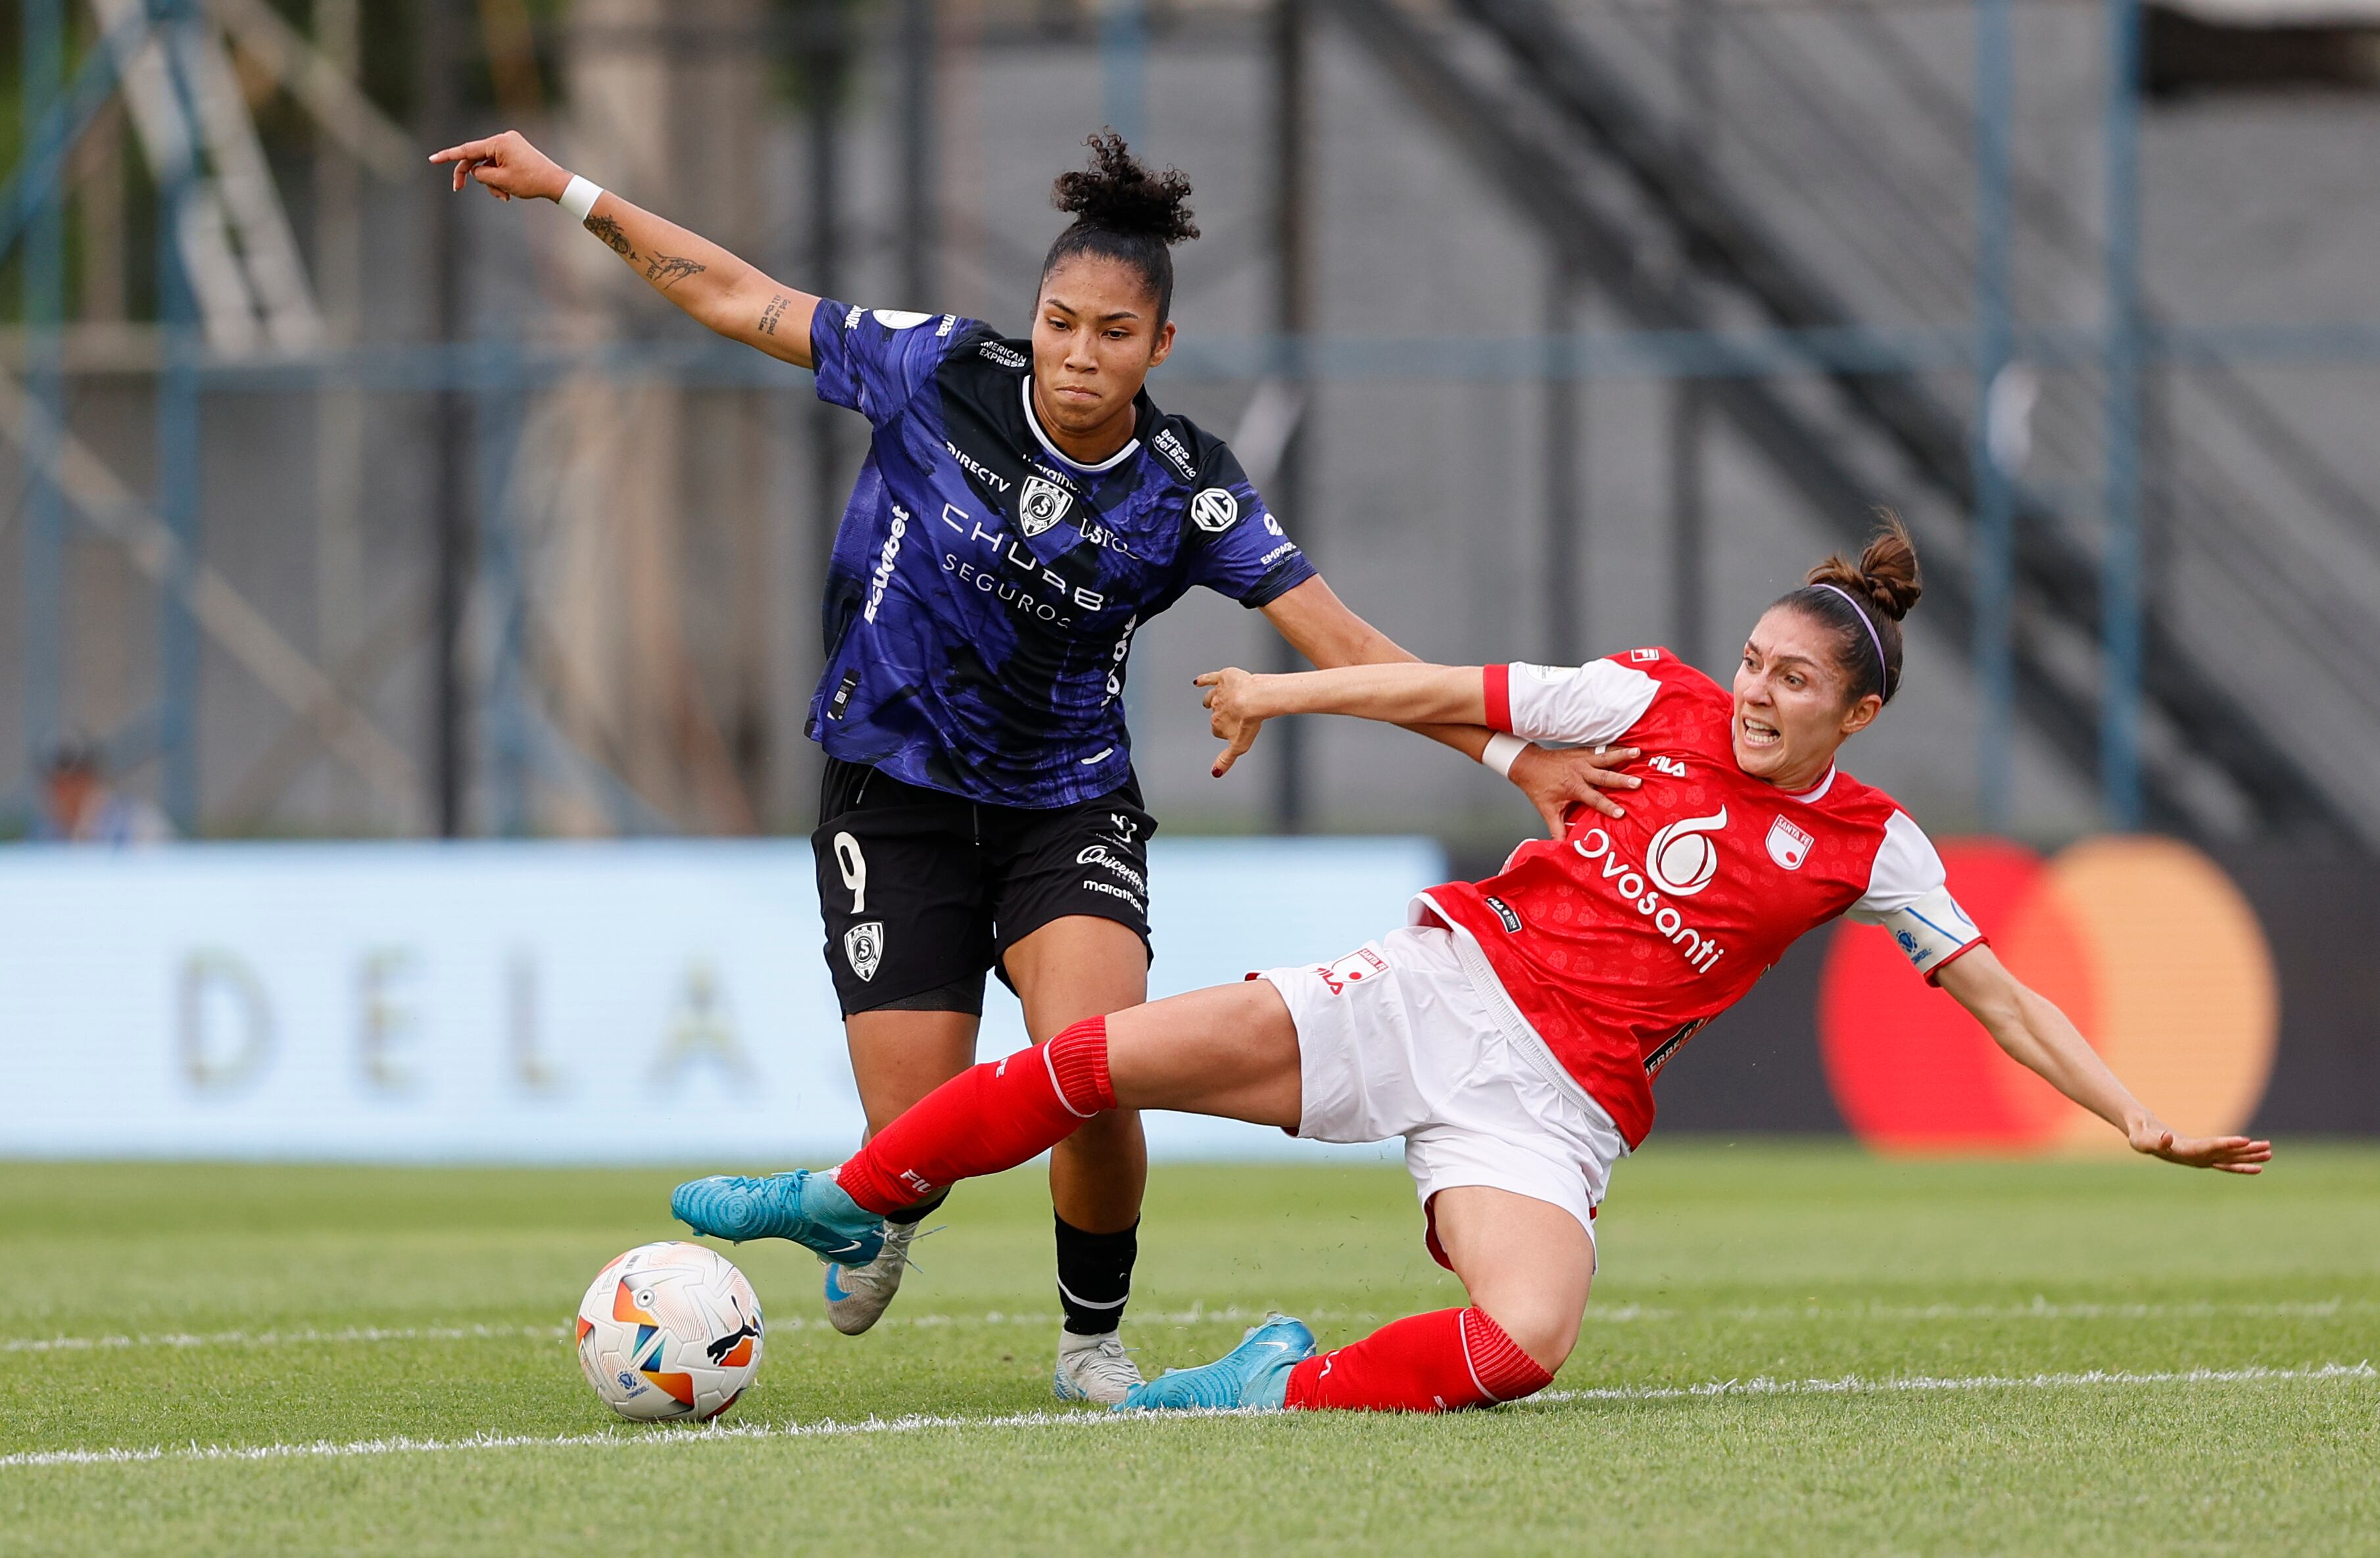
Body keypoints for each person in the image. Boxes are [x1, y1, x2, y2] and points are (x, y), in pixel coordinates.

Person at [430, 130, 1637, 1401]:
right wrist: (569, 189)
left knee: (1096, 1066)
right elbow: (741, 297)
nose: (1077, 353)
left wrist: (1510, 751)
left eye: (1113, 332)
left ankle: (1088, 1341)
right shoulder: (937, 369)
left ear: (1158, 346)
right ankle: (883, 1208)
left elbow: (1345, 644)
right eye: (1059, 322)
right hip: (889, 788)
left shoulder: (1188, 489)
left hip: (1065, 805)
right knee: (915, 1131)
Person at [669, 516, 2271, 1415]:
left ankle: (1244, 1390)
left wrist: (2133, 1114)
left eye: (1795, 681)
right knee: (1098, 1058)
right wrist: (1276, 694)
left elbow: (2003, 992)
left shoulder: (1872, 844)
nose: (1756, 691)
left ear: (1858, 715)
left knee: (1520, 1346)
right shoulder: (1646, 701)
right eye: (1754, 659)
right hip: (1443, 990)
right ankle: (854, 1192)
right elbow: (1442, 686)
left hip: (1555, 1110)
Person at [32, 739, 173, 846]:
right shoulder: (43, 832)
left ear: (93, 779)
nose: (66, 794)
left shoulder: (141, 826)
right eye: (57, 784)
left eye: (75, 781)